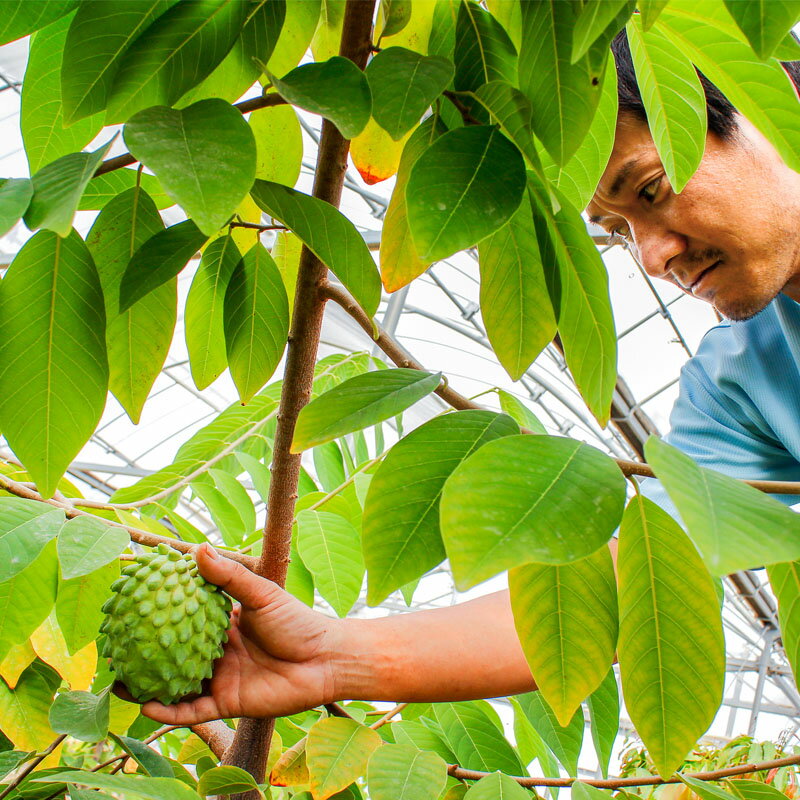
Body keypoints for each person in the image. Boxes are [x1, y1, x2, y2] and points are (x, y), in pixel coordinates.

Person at [141, 33, 800, 726]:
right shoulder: (739, 382)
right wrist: (335, 656)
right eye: (616, 228)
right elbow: (624, 575)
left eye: (650, 188)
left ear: (774, 106)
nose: (655, 255)